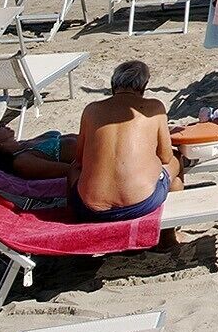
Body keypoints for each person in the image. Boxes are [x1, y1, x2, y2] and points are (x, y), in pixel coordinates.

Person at [72, 60, 177, 223]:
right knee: (176, 163)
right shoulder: (155, 108)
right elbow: (166, 157)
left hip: (90, 208)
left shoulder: (91, 110)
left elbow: (79, 160)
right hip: (139, 203)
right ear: (143, 86)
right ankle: (168, 238)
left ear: (113, 85)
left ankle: (73, 217)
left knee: (74, 169)